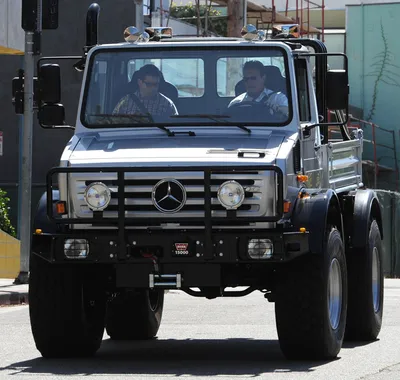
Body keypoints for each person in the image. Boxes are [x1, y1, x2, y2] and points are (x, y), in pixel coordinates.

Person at [113, 64, 178, 117]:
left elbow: (174, 126)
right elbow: (114, 122)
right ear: (139, 82)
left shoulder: (167, 104)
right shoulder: (125, 102)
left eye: (156, 84)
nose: (153, 88)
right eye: (149, 84)